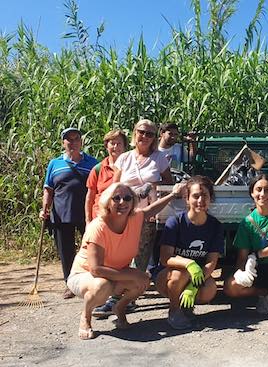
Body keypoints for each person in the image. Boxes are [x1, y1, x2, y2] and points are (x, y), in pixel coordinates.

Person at [67, 181, 185, 340]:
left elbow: (151, 210)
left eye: (128, 198)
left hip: (113, 272)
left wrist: (173, 194)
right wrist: (132, 275)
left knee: (142, 281)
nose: (123, 202)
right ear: (107, 201)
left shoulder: (134, 218)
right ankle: (85, 317)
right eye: (116, 198)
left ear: (133, 202)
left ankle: (119, 307)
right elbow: (96, 269)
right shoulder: (98, 227)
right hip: (86, 275)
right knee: (103, 286)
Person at [223, 174, 268, 327]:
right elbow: (242, 257)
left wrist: (256, 255)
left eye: (267, 190)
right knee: (230, 287)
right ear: (252, 193)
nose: (263, 194)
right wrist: (241, 274)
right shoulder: (247, 223)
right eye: (259, 190)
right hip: (258, 271)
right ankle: (265, 294)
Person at [154, 176, 225, 330]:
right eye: (195, 196)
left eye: (205, 195)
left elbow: (211, 262)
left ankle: (187, 307)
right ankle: (174, 310)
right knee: (181, 274)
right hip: (169, 276)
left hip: (197, 275)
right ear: (187, 199)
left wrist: (193, 287)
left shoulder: (215, 226)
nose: (200, 200)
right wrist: (189, 263)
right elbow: (165, 258)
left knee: (209, 289)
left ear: (210, 198)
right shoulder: (175, 222)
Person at [40, 127, 98, 299]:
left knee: (91, 247)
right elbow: (48, 189)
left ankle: (93, 279)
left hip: (86, 214)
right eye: (69, 139)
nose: (72, 142)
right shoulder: (55, 164)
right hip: (61, 213)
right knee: (65, 251)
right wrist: (45, 209)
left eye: (76, 139)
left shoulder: (92, 163)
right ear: (63, 142)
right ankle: (70, 284)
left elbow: (98, 188)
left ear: (81, 142)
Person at [113, 119, 174, 272]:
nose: (145, 136)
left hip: (148, 212)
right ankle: (120, 283)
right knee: (121, 249)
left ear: (154, 138)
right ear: (135, 133)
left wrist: (152, 185)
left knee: (141, 251)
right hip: (124, 211)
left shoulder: (159, 158)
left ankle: (135, 283)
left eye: (149, 134)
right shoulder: (124, 158)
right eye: (141, 132)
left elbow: (168, 183)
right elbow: (114, 187)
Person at [85, 129, 128, 224]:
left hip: (123, 220)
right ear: (106, 146)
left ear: (124, 146)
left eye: (119, 143)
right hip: (100, 219)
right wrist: (88, 221)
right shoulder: (98, 169)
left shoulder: (130, 167)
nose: (115, 147)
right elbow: (90, 197)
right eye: (112, 143)